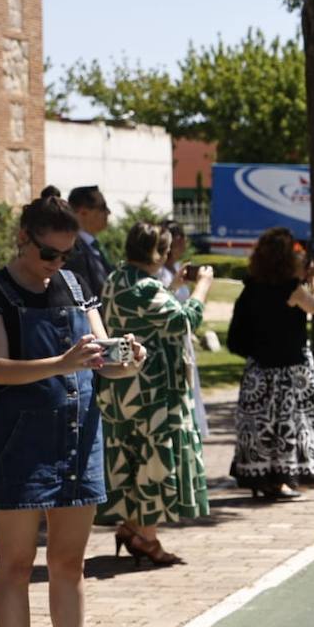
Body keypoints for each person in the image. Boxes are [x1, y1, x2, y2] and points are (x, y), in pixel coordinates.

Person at [0, 193, 144, 627]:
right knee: (16, 564)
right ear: (24, 238)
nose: (57, 264)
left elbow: (104, 367)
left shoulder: (74, 282)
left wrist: (127, 360)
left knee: (69, 564)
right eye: (49, 253)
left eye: (65, 254)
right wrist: (63, 363)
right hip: (20, 441)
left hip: (79, 437)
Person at [96, 221, 215, 566]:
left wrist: (173, 284)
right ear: (157, 253)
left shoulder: (118, 278)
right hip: (152, 390)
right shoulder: (147, 288)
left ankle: (132, 528)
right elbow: (183, 319)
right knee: (154, 461)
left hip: (122, 387)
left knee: (133, 459)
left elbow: (149, 313)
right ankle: (147, 538)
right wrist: (202, 286)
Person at [226, 227, 314, 500]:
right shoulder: (291, 290)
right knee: (288, 425)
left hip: (258, 370)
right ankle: (283, 479)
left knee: (259, 426)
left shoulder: (251, 288)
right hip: (289, 371)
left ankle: (261, 479)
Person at [159, 219, 209, 436]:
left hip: (184, 338)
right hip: (169, 338)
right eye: (181, 237)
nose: (185, 242)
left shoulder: (178, 268)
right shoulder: (160, 272)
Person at [62, 185, 113, 298]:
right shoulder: (71, 249)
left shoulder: (93, 246)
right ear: (83, 212)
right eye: (102, 207)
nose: (108, 212)